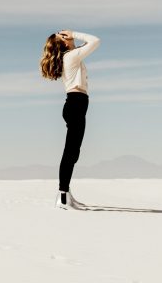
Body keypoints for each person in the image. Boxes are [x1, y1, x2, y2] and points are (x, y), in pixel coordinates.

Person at [39, 29, 101, 210]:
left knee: (73, 153)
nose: (67, 35)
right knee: (70, 153)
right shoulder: (70, 57)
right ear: (64, 42)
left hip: (76, 105)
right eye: (63, 35)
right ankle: (63, 197)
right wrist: (74, 33)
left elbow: (88, 44)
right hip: (76, 104)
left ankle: (66, 194)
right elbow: (95, 40)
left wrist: (72, 39)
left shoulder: (71, 56)